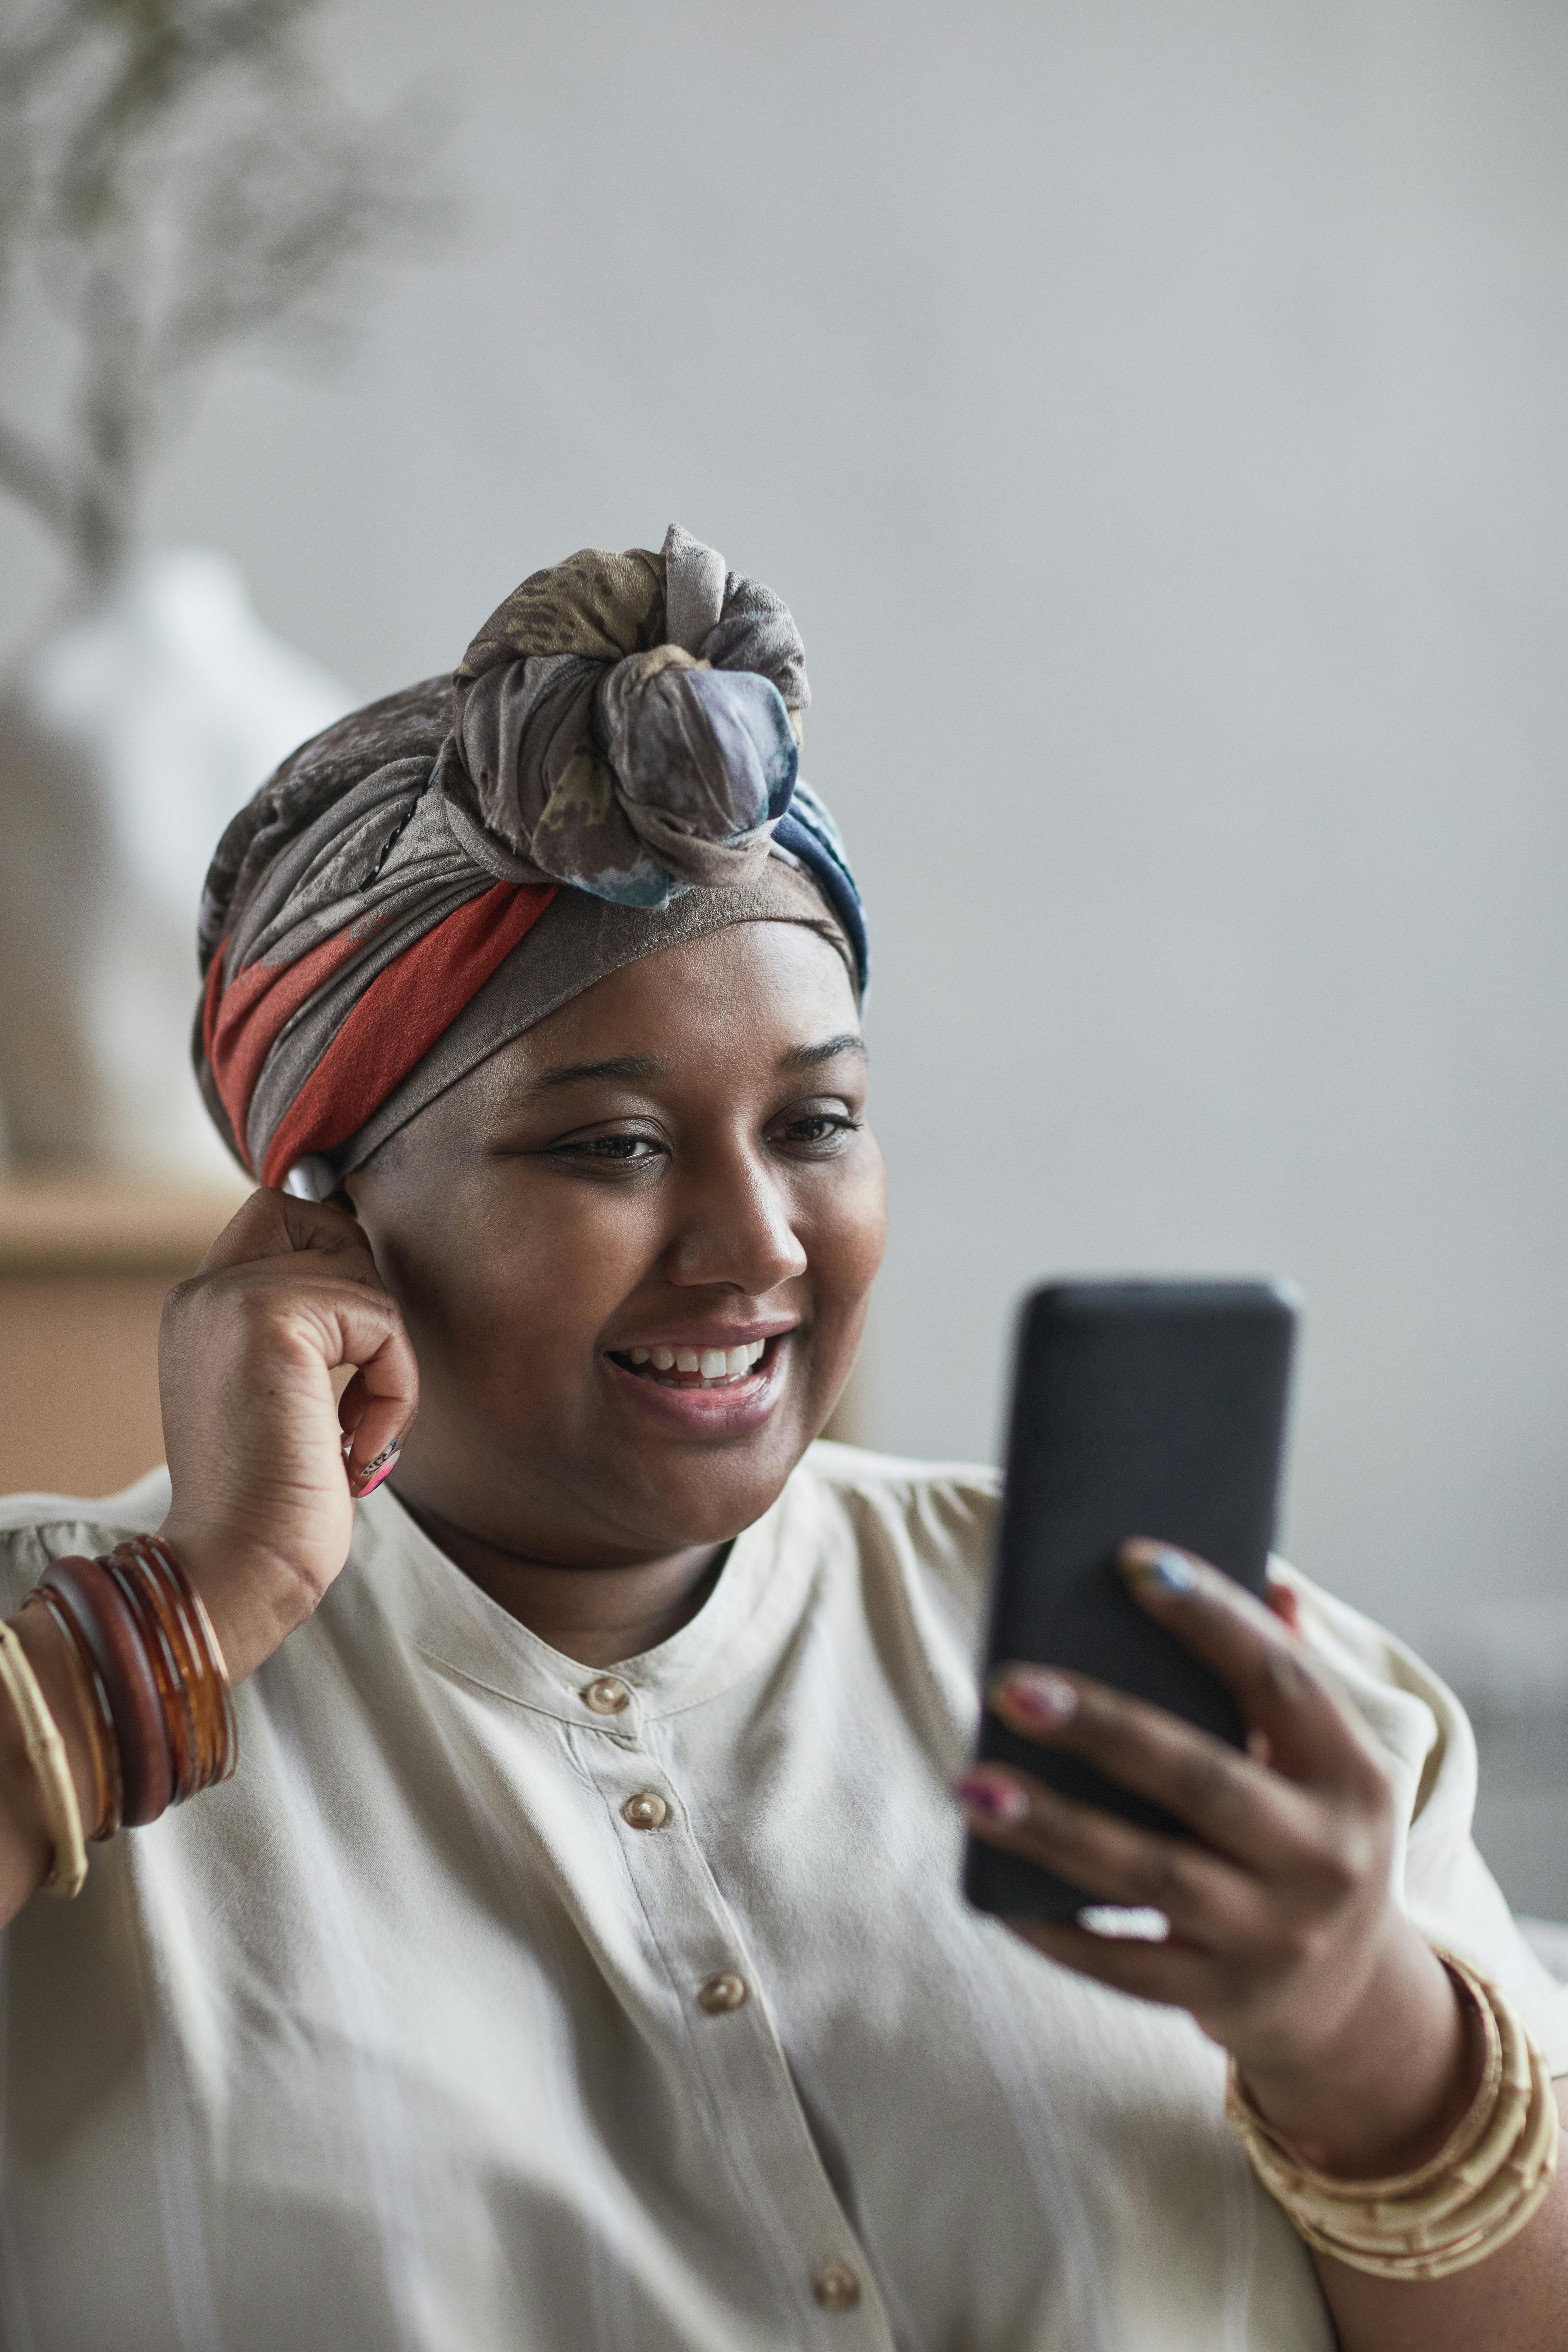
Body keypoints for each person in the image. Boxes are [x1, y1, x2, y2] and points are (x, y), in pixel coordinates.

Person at [0, 526, 1563, 2352]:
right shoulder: (50, 1670)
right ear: (319, 1214)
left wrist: (1363, 2037)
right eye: (610, 1146)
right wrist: (207, 1607)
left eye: (816, 1123)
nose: (759, 1250)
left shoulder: (1227, 1684)